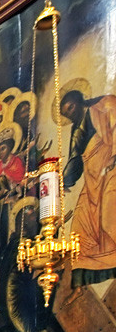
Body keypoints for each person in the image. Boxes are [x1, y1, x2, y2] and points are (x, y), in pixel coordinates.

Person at [60, 87, 116, 287]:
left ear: (79, 100)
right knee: (79, 228)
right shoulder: (76, 131)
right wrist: (63, 183)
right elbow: (75, 159)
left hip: (111, 171)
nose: (70, 114)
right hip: (92, 180)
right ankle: (87, 276)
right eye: (66, 114)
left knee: (110, 214)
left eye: (71, 108)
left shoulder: (104, 105)